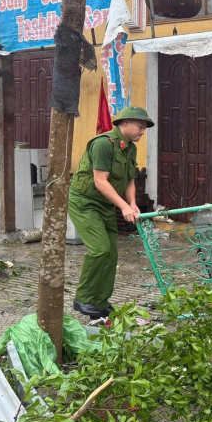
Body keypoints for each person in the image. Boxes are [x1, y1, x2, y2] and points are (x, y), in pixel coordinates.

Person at [68, 106, 154, 320]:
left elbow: (130, 180)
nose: (142, 131)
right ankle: (84, 298)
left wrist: (132, 203)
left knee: (111, 253)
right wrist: (123, 207)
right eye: (140, 127)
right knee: (99, 249)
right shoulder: (103, 144)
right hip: (85, 202)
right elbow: (100, 181)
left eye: (144, 128)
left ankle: (100, 301)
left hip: (106, 205)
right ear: (124, 123)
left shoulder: (130, 148)